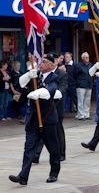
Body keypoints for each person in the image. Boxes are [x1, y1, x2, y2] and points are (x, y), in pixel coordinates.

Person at [9, 54, 60, 185]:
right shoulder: (35, 75)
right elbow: (20, 85)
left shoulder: (55, 77)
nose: (41, 64)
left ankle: (54, 173)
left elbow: (50, 91)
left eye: (45, 62)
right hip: (33, 119)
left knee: (53, 148)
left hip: (47, 119)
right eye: (41, 61)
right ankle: (23, 176)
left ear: (52, 65)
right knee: (29, 148)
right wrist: (28, 75)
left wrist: (38, 93)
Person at [33, 53, 68, 163]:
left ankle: (61, 153)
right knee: (41, 129)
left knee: (57, 131)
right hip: (43, 107)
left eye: (53, 60)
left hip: (56, 106)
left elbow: (63, 87)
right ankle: (36, 154)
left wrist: (57, 93)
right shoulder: (40, 73)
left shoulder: (61, 73)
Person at [75, 52, 93, 120]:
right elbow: (75, 75)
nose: (87, 58)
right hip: (81, 85)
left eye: (88, 57)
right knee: (81, 101)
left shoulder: (90, 64)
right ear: (82, 58)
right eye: (86, 57)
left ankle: (86, 114)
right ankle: (81, 115)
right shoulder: (78, 65)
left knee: (87, 101)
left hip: (89, 84)